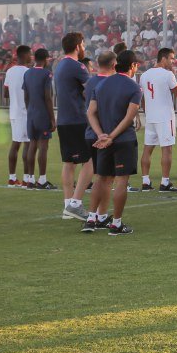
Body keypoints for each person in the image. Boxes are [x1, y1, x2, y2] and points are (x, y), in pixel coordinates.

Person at [85, 49, 142, 235]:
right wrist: (111, 136)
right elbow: (129, 117)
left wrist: (101, 134)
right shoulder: (133, 87)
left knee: (100, 178)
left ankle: (91, 218)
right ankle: (116, 224)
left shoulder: (101, 84)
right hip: (123, 140)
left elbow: (90, 112)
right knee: (121, 181)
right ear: (133, 66)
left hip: (104, 140)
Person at [55, 32, 93, 219]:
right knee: (90, 161)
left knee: (68, 163)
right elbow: (91, 92)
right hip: (77, 119)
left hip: (63, 119)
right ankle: (75, 204)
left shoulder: (60, 65)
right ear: (78, 46)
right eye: (83, 44)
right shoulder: (77, 66)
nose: (84, 47)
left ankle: (67, 205)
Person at [80, 51, 116, 230]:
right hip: (104, 135)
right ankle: (94, 216)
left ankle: (98, 216)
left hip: (90, 133)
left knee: (103, 177)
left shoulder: (91, 81)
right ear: (113, 64)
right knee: (105, 178)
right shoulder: (110, 82)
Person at [138, 47, 177, 192]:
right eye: (171, 58)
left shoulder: (144, 75)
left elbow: (142, 98)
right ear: (163, 58)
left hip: (150, 117)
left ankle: (145, 181)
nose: (173, 61)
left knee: (147, 148)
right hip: (165, 116)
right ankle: (165, 182)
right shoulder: (168, 74)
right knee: (167, 149)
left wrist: (147, 111)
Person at [22, 48, 56, 190]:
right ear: (46, 59)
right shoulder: (46, 74)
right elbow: (47, 97)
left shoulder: (27, 73)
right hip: (42, 114)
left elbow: (26, 96)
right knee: (43, 146)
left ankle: (30, 179)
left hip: (31, 113)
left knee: (32, 145)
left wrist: (30, 109)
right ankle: (42, 180)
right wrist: (52, 118)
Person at [2, 45, 31, 187]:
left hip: (13, 112)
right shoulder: (28, 72)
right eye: (30, 55)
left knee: (15, 144)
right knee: (27, 144)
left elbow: (5, 94)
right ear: (25, 56)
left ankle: (12, 178)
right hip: (24, 112)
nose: (31, 57)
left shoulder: (10, 71)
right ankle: (26, 178)